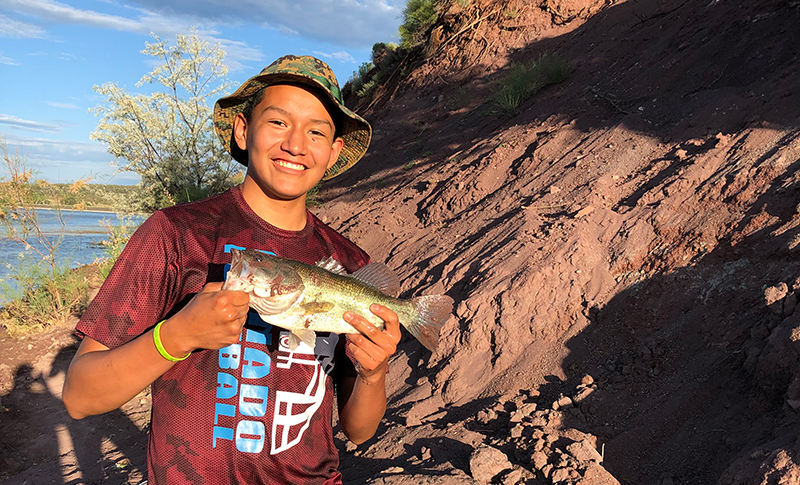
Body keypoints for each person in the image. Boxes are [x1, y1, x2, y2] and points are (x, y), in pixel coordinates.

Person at [62, 55, 400, 484]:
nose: (296, 144)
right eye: (278, 122)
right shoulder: (178, 234)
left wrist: (372, 372)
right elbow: (80, 396)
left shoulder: (347, 264)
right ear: (243, 130)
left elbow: (359, 430)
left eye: (316, 131)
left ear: (332, 151)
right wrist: (176, 336)